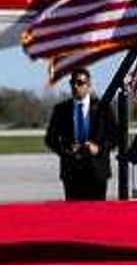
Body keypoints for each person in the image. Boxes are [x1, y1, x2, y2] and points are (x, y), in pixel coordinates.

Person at [44, 67, 121, 200]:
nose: (75, 86)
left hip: (97, 171)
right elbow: (50, 139)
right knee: (73, 216)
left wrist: (98, 148)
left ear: (88, 86)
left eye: (80, 83)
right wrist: (66, 149)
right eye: (72, 83)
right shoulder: (61, 110)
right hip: (71, 171)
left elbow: (115, 136)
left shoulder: (103, 108)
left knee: (97, 216)